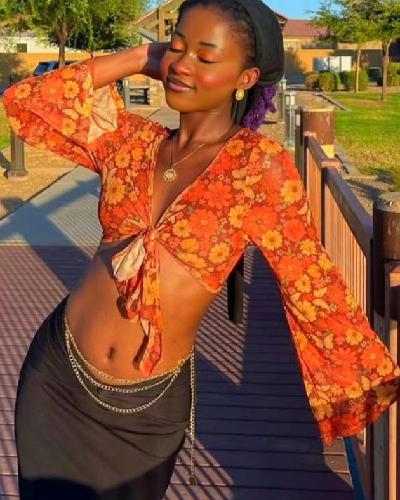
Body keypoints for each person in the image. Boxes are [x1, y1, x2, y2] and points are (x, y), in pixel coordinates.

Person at [4, 0, 400, 498]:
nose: (182, 65)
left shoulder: (257, 168)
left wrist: (368, 382)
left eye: (205, 57)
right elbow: (29, 99)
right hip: (56, 374)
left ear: (245, 78)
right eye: (176, 47)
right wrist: (140, 57)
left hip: (143, 411)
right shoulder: (131, 141)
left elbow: (311, 285)